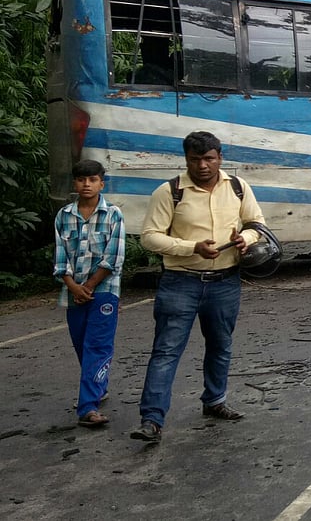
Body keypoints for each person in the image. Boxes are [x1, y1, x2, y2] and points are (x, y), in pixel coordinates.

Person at [131, 131, 266, 444]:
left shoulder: (237, 187)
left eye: (209, 158)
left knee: (220, 344)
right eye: (196, 159)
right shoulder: (169, 192)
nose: (203, 165)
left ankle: (214, 401)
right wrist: (192, 247)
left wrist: (243, 240)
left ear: (220, 157)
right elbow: (150, 236)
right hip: (180, 282)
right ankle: (152, 420)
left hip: (226, 282)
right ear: (186, 160)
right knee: (166, 350)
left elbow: (256, 225)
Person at [53, 159, 126, 429]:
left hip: (104, 290)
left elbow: (114, 258)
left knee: (97, 344)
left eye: (92, 180)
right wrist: (73, 286)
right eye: (82, 180)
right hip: (73, 291)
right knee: (81, 342)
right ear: (75, 183)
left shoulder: (113, 214)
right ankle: (98, 386)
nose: (87, 184)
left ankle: (88, 407)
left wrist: (91, 286)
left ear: (101, 183)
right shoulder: (64, 216)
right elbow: (60, 259)